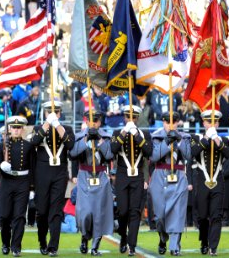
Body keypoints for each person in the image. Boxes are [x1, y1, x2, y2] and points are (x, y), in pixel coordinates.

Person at [29, 101, 75, 256]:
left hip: (60, 172)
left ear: (59, 114)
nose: (52, 114)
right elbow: (34, 142)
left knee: (56, 211)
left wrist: (57, 124)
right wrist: (48, 124)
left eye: (55, 112)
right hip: (42, 172)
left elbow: (70, 145)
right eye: (49, 112)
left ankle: (53, 245)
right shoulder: (38, 128)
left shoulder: (66, 129)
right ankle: (42, 241)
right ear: (45, 113)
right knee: (42, 211)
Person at [69, 110, 114, 256]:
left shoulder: (106, 136)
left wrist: (99, 140)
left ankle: (95, 247)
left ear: (100, 122)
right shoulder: (79, 136)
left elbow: (109, 155)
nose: (93, 123)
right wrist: (86, 138)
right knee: (86, 213)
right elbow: (73, 154)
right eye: (90, 120)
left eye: (96, 120)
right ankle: (84, 237)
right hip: (84, 175)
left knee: (99, 214)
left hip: (101, 175)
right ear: (86, 121)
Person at [110, 105, 152, 256]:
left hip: (137, 176)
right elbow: (113, 150)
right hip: (122, 175)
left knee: (135, 212)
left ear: (137, 118)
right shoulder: (117, 132)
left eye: (134, 117)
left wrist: (136, 135)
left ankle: (132, 246)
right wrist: (124, 132)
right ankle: (123, 236)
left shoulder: (144, 134)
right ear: (125, 117)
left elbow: (149, 151)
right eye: (128, 117)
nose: (131, 120)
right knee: (122, 211)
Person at [191, 110, 229, 256]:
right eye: (209, 122)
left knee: (216, 216)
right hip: (202, 180)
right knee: (202, 216)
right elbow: (192, 153)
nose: (212, 125)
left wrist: (217, 141)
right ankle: (204, 241)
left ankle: (213, 247)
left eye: (215, 122)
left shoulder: (223, 140)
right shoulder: (196, 138)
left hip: (218, 181)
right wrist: (206, 139)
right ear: (204, 123)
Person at [149, 111, 191, 256]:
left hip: (178, 175)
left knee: (177, 213)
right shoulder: (155, 136)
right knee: (160, 215)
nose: (170, 125)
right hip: (160, 175)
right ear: (163, 122)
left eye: (174, 122)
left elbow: (188, 155)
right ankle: (162, 237)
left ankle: (174, 247)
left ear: (178, 122)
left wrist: (178, 140)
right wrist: (167, 142)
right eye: (167, 122)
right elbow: (154, 156)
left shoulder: (185, 137)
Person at [0, 116, 35, 257]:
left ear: (22, 129)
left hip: (22, 182)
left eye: (18, 128)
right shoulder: (2, 145)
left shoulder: (28, 146)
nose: (16, 130)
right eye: (13, 128)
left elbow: (33, 168)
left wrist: (32, 188)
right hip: (7, 182)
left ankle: (16, 246)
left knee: (19, 216)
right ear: (9, 129)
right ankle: (5, 243)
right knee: (4, 216)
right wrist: (1, 166)